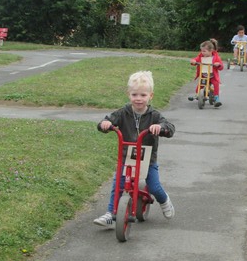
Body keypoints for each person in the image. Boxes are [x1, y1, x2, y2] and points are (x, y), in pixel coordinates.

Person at [93, 70, 175, 227]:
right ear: (128, 94)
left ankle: (164, 201)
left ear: (150, 96)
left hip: (148, 159)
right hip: (127, 158)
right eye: (135, 95)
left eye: (143, 95)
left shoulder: (154, 115)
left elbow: (170, 128)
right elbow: (107, 121)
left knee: (155, 187)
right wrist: (105, 124)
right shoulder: (123, 113)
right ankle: (111, 213)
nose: (138, 99)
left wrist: (160, 127)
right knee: (118, 184)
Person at [188, 38, 224, 107]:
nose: (202, 52)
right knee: (199, 87)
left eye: (204, 51)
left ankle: (216, 98)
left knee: (216, 84)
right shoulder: (201, 56)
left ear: (211, 51)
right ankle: (198, 95)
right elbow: (196, 59)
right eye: (201, 51)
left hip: (212, 76)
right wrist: (193, 61)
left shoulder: (215, 57)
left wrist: (218, 64)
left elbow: (221, 66)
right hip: (204, 75)